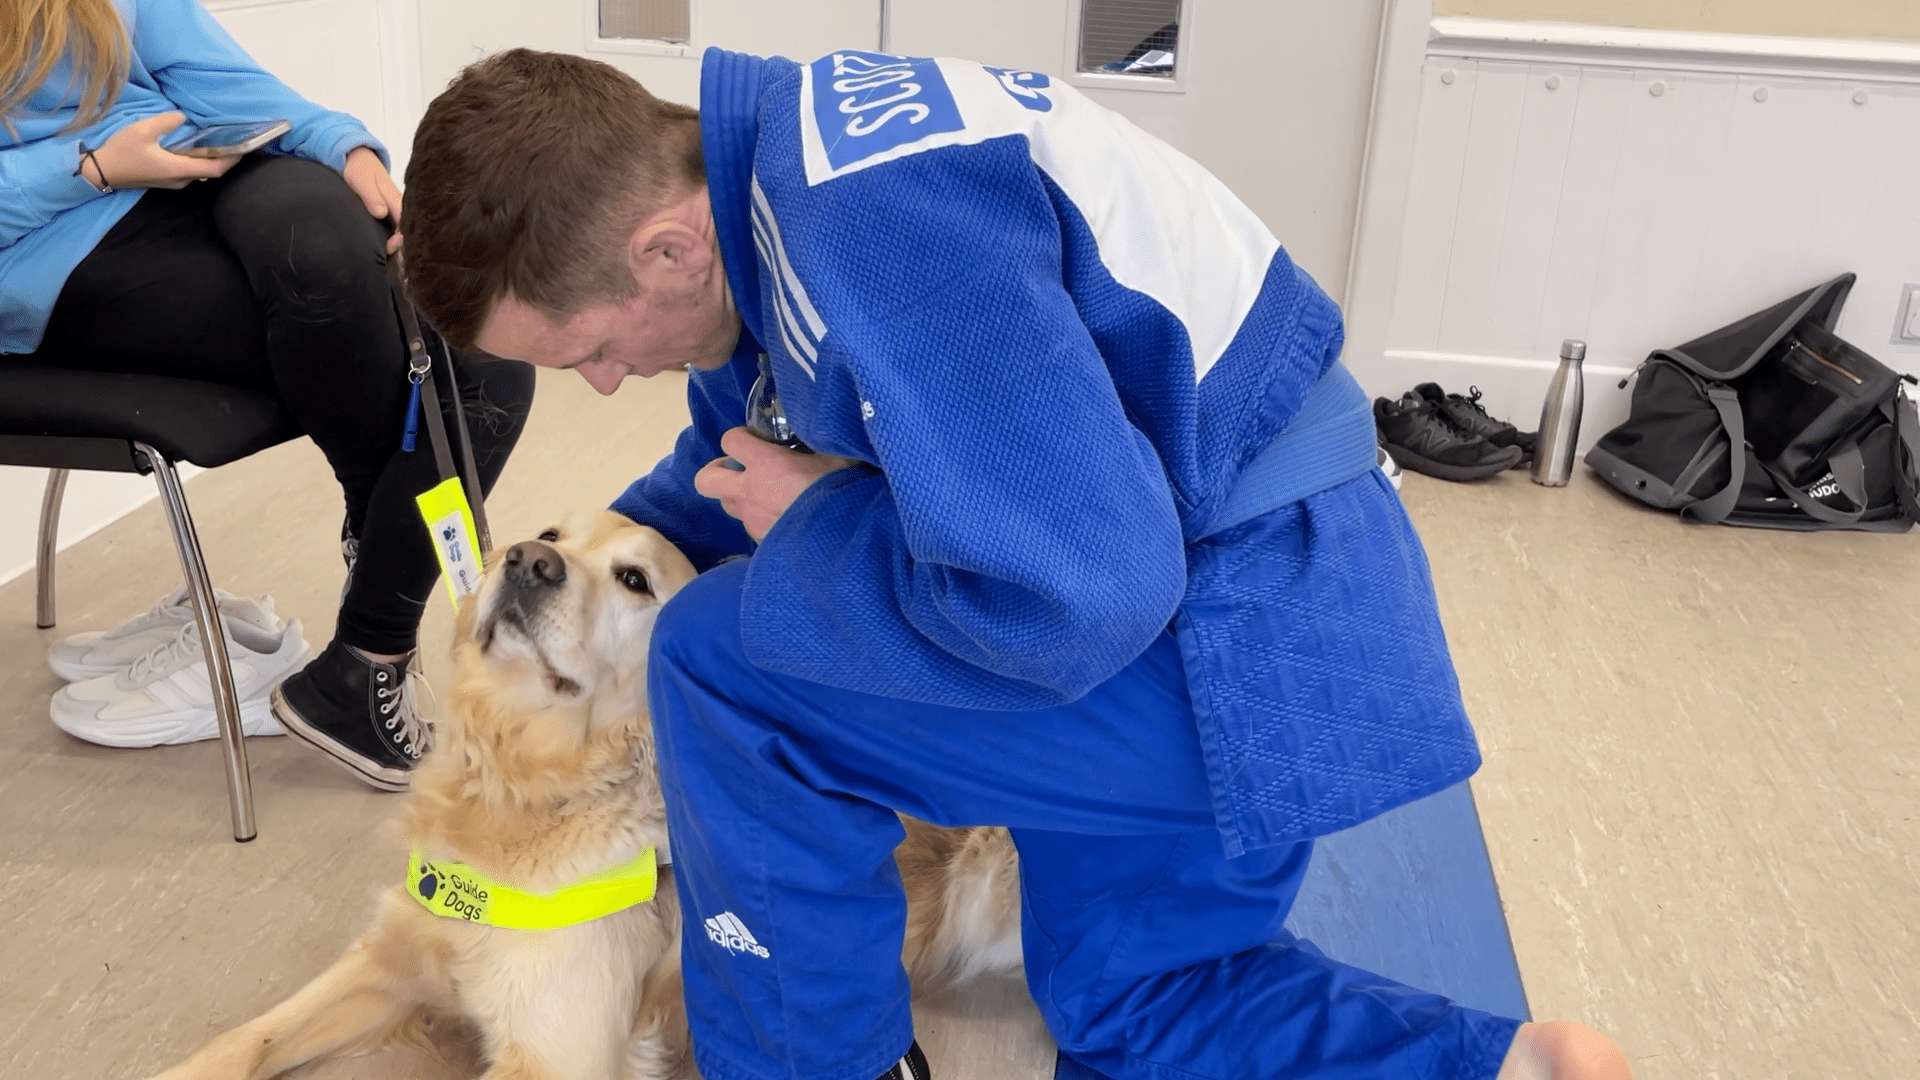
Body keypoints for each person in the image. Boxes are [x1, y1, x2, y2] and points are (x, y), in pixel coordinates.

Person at [401, 46, 1632, 1080]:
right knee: (1134, 1003)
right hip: (1286, 611)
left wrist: (822, 531)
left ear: (668, 252)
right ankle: (1510, 1066)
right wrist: (561, 578)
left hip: (1228, 652)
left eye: (592, 351)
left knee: (723, 655)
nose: (605, 382)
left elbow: (1081, 597)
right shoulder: (785, 178)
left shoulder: (869, 226)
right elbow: (738, 455)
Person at [1, 0, 534, 790]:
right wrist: (92, 165)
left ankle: (361, 610)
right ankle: (371, 639)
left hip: (189, 176)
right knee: (470, 371)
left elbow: (223, 84)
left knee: (452, 330)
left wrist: (345, 147)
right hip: (51, 244)